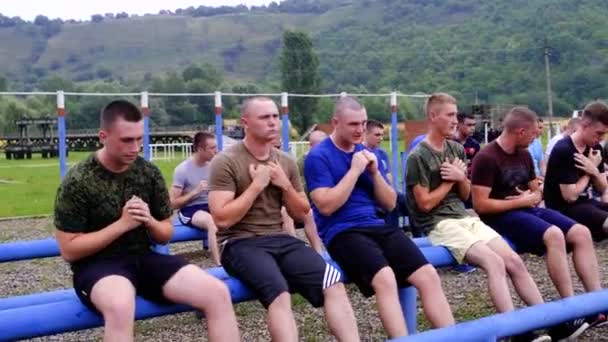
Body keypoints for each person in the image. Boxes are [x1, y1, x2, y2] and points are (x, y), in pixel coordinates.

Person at [54, 100, 239, 342]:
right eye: (126, 140)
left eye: (139, 139)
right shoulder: (78, 180)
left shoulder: (148, 173)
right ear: (103, 136)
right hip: (96, 266)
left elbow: (165, 233)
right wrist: (122, 224)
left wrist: (149, 220)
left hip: (144, 258)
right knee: (121, 306)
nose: (135, 147)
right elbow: (69, 250)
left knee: (217, 292)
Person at [208, 97, 359, 341]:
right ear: (245, 123)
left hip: (280, 239)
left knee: (333, 281)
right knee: (279, 292)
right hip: (239, 242)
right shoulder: (226, 161)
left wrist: (285, 185)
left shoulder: (285, 161)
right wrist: (257, 186)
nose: (273, 122)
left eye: (275, 116)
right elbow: (222, 220)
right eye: (265, 117)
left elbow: (302, 213)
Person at [305, 96, 454, 339]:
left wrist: (374, 174)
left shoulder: (366, 153)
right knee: (384, 278)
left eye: (363, 123)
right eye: (353, 124)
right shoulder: (318, 157)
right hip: (342, 232)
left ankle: (453, 337)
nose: (360, 129)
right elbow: (326, 206)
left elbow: (390, 203)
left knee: (428, 275)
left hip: (376, 225)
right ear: (336, 122)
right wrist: (354, 171)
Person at [407, 94, 549, 342]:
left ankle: (547, 321)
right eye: (450, 115)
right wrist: (450, 180)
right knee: (494, 262)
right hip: (438, 224)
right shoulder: (418, 156)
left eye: (455, 114)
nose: (455, 120)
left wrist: (461, 179)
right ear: (433, 116)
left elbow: (465, 195)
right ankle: (516, 332)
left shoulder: (456, 148)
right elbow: (424, 204)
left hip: (464, 218)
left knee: (513, 261)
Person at [471, 106, 605, 340]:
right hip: (500, 216)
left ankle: (593, 306)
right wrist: (523, 200)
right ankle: (569, 310)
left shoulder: (523, 154)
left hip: (527, 208)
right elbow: (480, 205)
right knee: (554, 235)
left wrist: (536, 193)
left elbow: (535, 189)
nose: (536, 138)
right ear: (520, 131)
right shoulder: (487, 157)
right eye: (534, 134)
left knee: (581, 232)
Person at [544, 101, 608, 242]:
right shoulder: (564, 149)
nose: (601, 138)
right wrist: (589, 171)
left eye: (604, 134)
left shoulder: (596, 149)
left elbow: (603, 188)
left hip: (588, 203)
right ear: (584, 126)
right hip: (564, 209)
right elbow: (570, 196)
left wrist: (595, 171)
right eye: (599, 133)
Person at [170, 131, 221, 265]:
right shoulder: (182, 170)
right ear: (200, 149)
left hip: (211, 205)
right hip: (190, 210)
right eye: (212, 148)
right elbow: (173, 204)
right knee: (211, 222)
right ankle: (219, 264)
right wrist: (195, 192)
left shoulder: (214, 166)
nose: (216, 151)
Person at [363, 119, 409, 229]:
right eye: (377, 135)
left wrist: (391, 192)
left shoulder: (382, 153)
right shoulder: (363, 154)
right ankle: (393, 233)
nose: (381, 138)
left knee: (410, 202)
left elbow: (389, 176)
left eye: (382, 135)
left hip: (388, 191)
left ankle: (419, 235)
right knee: (390, 207)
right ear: (366, 134)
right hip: (373, 197)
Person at [452, 112, 480, 177]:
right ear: (458, 124)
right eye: (469, 125)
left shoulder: (475, 144)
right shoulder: (449, 143)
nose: (473, 128)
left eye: (474, 125)